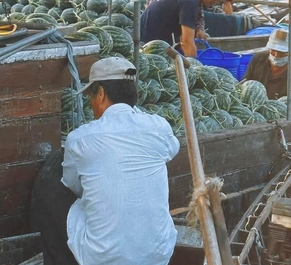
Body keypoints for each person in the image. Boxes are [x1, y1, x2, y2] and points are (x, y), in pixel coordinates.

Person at [30, 57, 180, 265]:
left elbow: (72, 186)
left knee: (49, 179)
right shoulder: (159, 127)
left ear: (100, 94)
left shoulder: (81, 139)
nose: (91, 105)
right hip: (159, 254)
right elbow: (172, 150)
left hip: (104, 258)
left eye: (91, 96)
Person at [140, 0, 232, 57]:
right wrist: (196, 68)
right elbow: (186, 42)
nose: (216, 1)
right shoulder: (189, 2)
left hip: (151, 40)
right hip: (146, 46)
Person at [243, 28, 291, 102]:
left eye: (282, 51)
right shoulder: (258, 59)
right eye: (273, 50)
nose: (276, 55)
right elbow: (244, 85)